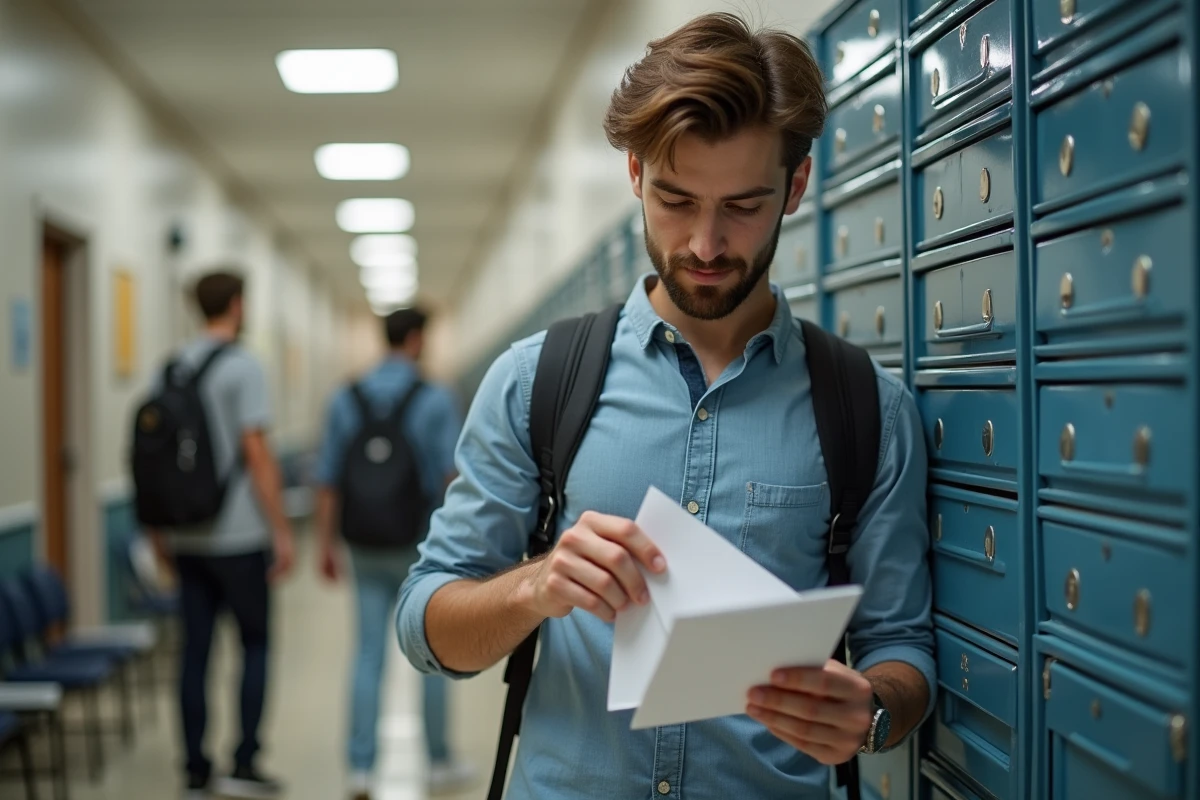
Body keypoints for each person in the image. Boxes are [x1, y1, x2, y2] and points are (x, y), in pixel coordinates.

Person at [396, 12, 934, 800]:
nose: (706, 245)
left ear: (796, 186)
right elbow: (426, 625)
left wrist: (873, 712)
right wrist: (536, 585)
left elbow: (903, 647)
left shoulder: (864, 409)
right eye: (678, 200)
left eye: (743, 207)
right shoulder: (535, 382)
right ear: (636, 176)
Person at [314, 307, 476, 800]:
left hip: (362, 542)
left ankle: (361, 769)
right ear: (416, 340)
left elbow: (327, 478)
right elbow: (453, 476)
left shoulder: (345, 396)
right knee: (431, 650)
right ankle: (438, 761)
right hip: (419, 542)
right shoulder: (434, 397)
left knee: (366, 654)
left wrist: (325, 544)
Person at [148, 270, 296, 800]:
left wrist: (159, 534)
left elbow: (154, 460)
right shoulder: (242, 365)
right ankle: (244, 762)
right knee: (254, 645)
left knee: (195, 653)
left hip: (186, 537)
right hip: (237, 538)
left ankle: (194, 769)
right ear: (237, 304)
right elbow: (255, 453)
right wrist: (281, 530)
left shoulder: (170, 368)